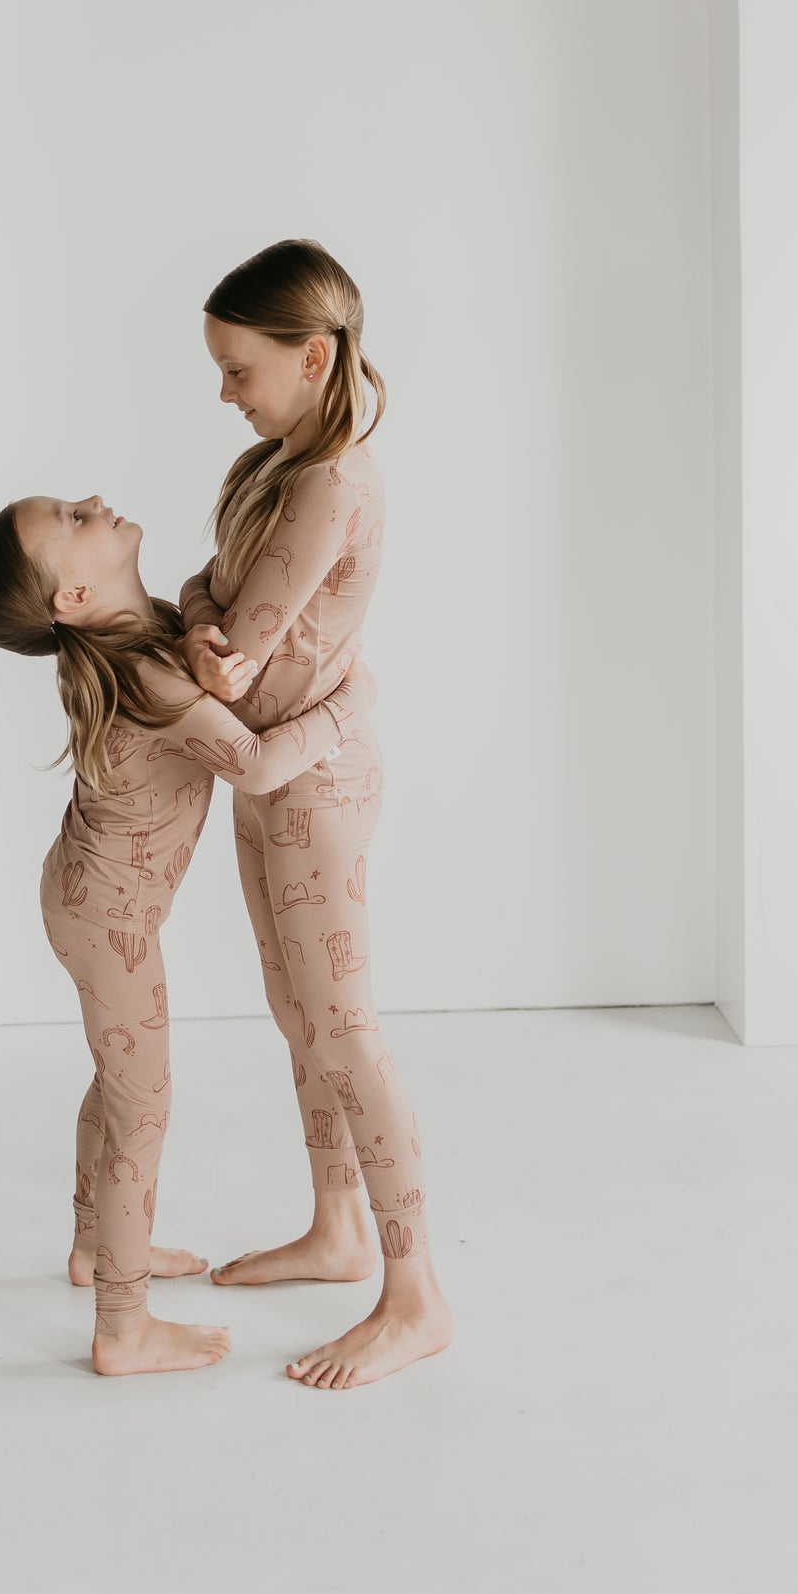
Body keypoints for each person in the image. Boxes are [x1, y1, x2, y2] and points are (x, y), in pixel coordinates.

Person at [0, 487, 373, 1377]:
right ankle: (121, 1325)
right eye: (71, 519)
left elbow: (194, 598)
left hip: (82, 899)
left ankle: (90, 1247)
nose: (94, 502)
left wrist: (194, 634)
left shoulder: (140, 631)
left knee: (117, 1085)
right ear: (72, 599)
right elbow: (258, 767)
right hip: (108, 922)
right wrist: (345, 707)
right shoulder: (146, 677)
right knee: (141, 1109)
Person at [178, 238, 453, 1388]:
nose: (224, 391)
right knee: (297, 1012)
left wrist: (210, 629)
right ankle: (336, 1226)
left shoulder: (329, 479)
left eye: (239, 367)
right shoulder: (273, 465)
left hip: (311, 785)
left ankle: (416, 1290)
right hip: (275, 769)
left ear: (313, 355)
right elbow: (208, 594)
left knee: (345, 1028)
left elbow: (230, 650)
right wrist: (207, 619)